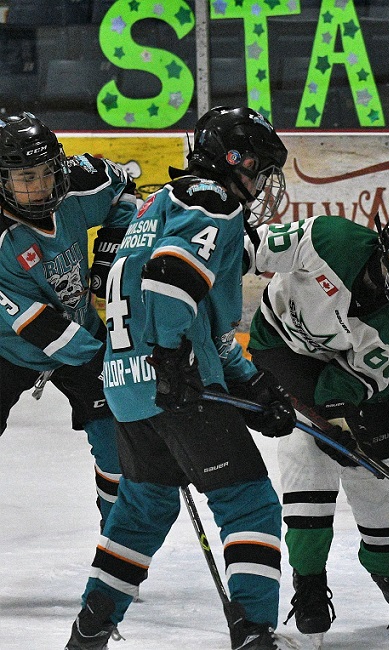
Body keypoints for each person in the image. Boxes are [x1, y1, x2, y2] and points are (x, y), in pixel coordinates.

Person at [66, 106, 296, 650]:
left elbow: (205, 327)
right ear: (233, 161)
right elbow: (172, 279)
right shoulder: (211, 200)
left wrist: (253, 386)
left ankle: (92, 622)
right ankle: (257, 629)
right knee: (250, 504)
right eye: (258, 168)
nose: (261, 182)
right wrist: (171, 361)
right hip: (172, 384)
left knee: (145, 507)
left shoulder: (155, 204)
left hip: (124, 387)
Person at [241, 206, 389, 639]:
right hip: (282, 348)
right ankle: (309, 582)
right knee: (307, 453)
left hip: (346, 372)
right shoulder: (329, 240)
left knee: (377, 469)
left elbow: (353, 380)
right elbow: (249, 249)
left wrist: (337, 415)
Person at [0, 111, 135, 529]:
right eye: (26, 178)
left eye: (45, 172)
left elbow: (126, 194)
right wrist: (107, 360)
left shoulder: (82, 180)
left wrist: (109, 256)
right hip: (9, 347)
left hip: (80, 328)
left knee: (117, 441)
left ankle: (120, 547)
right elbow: (37, 325)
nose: (40, 185)